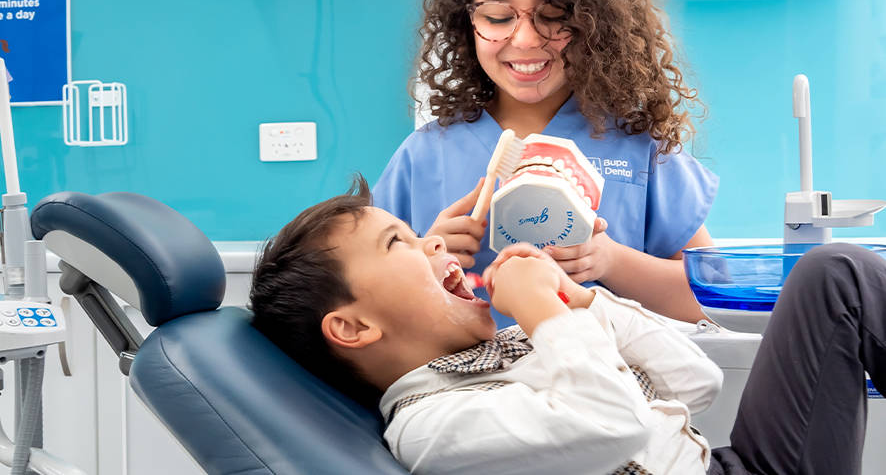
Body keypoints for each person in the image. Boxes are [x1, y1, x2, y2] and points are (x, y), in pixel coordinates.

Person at [250, 176, 886, 475]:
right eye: (402, 245)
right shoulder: (431, 428)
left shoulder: (507, 350)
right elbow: (611, 424)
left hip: (727, 466)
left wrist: (581, 302)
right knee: (838, 273)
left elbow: (694, 384)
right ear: (354, 328)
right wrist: (546, 315)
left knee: (832, 273)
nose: (438, 247)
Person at [372, 0, 716, 324]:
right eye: (498, 17)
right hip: (473, 386)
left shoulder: (638, 145)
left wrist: (611, 262)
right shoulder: (422, 156)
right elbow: (366, 305)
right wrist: (426, 259)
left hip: (610, 380)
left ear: (592, 24)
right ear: (468, 23)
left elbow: (710, 300)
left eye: (553, 15)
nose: (526, 40)